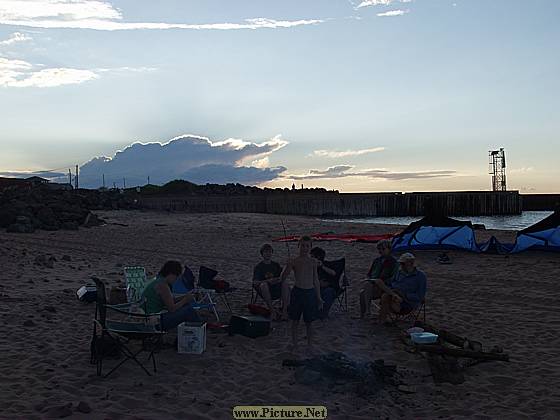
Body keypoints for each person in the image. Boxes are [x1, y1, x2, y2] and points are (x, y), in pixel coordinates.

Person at [281, 236, 323, 351]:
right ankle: (295, 343)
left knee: (309, 322)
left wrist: (319, 297)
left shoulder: (313, 262)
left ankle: (310, 344)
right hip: (297, 292)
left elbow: (316, 280)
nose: (305, 248)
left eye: (307, 246)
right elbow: (283, 277)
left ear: (310, 247)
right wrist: (288, 265)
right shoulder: (294, 261)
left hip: (310, 293)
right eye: (303, 246)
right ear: (299, 246)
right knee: (295, 320)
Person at [142, 260, 200, 331]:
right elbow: (172, 308)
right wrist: (185, 300)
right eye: (176, 278)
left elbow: (170, 301)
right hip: (154, 322)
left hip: (150, 317)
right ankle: (198, 330)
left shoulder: (158, 280)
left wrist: (186, 296)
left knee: (186, 307)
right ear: (171, 274)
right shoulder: (162, 285)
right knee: (188, 311)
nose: (175, 280)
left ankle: (190, 332)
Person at [374, 252, 427, 324]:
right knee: (382, 289)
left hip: (407, 302)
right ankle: (382, 319)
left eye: (402, 263)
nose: (401, 265)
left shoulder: (420, 276)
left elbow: (420, 296)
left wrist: (404, 295)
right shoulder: (399, 272)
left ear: (410, 263)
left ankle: (382, 320)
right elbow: (392, 283)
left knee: (386, 297)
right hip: (395, 294)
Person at [359, 239, 399, 318]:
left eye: (383, 249)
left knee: (369, 286)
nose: (381, 251)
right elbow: (369, 274)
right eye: (379, 249)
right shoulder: (377, 261)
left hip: (385, 286)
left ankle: (368, 311)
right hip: (373, 284)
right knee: (364, 290)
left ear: (389, 249)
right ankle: (365, 313)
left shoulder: (393, 262)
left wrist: (380, 282)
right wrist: (370, 279)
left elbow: (394, 277)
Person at [252, 244, 290, 320]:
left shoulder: (275, 265)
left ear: (272, 253)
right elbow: (255, 282)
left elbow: (282, 276)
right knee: (264, 285)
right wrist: (268, 281)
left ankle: (284, 311)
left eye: (269, 252)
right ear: (262, 254)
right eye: (266, 252)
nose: (268, 254)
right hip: (264, 291)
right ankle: (272, 311)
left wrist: (287, 266)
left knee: (285, 283)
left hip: (276, 288)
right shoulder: (259, 267)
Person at [310, 247, 339, 319]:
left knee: (329, 292)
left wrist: (322, 266)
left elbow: (334, 273)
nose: (310, 258)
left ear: (318, 257)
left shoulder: (326, 264)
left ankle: (323, 314)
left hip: (328, 288)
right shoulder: (310, 266)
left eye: (312, 256)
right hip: (314, 288)